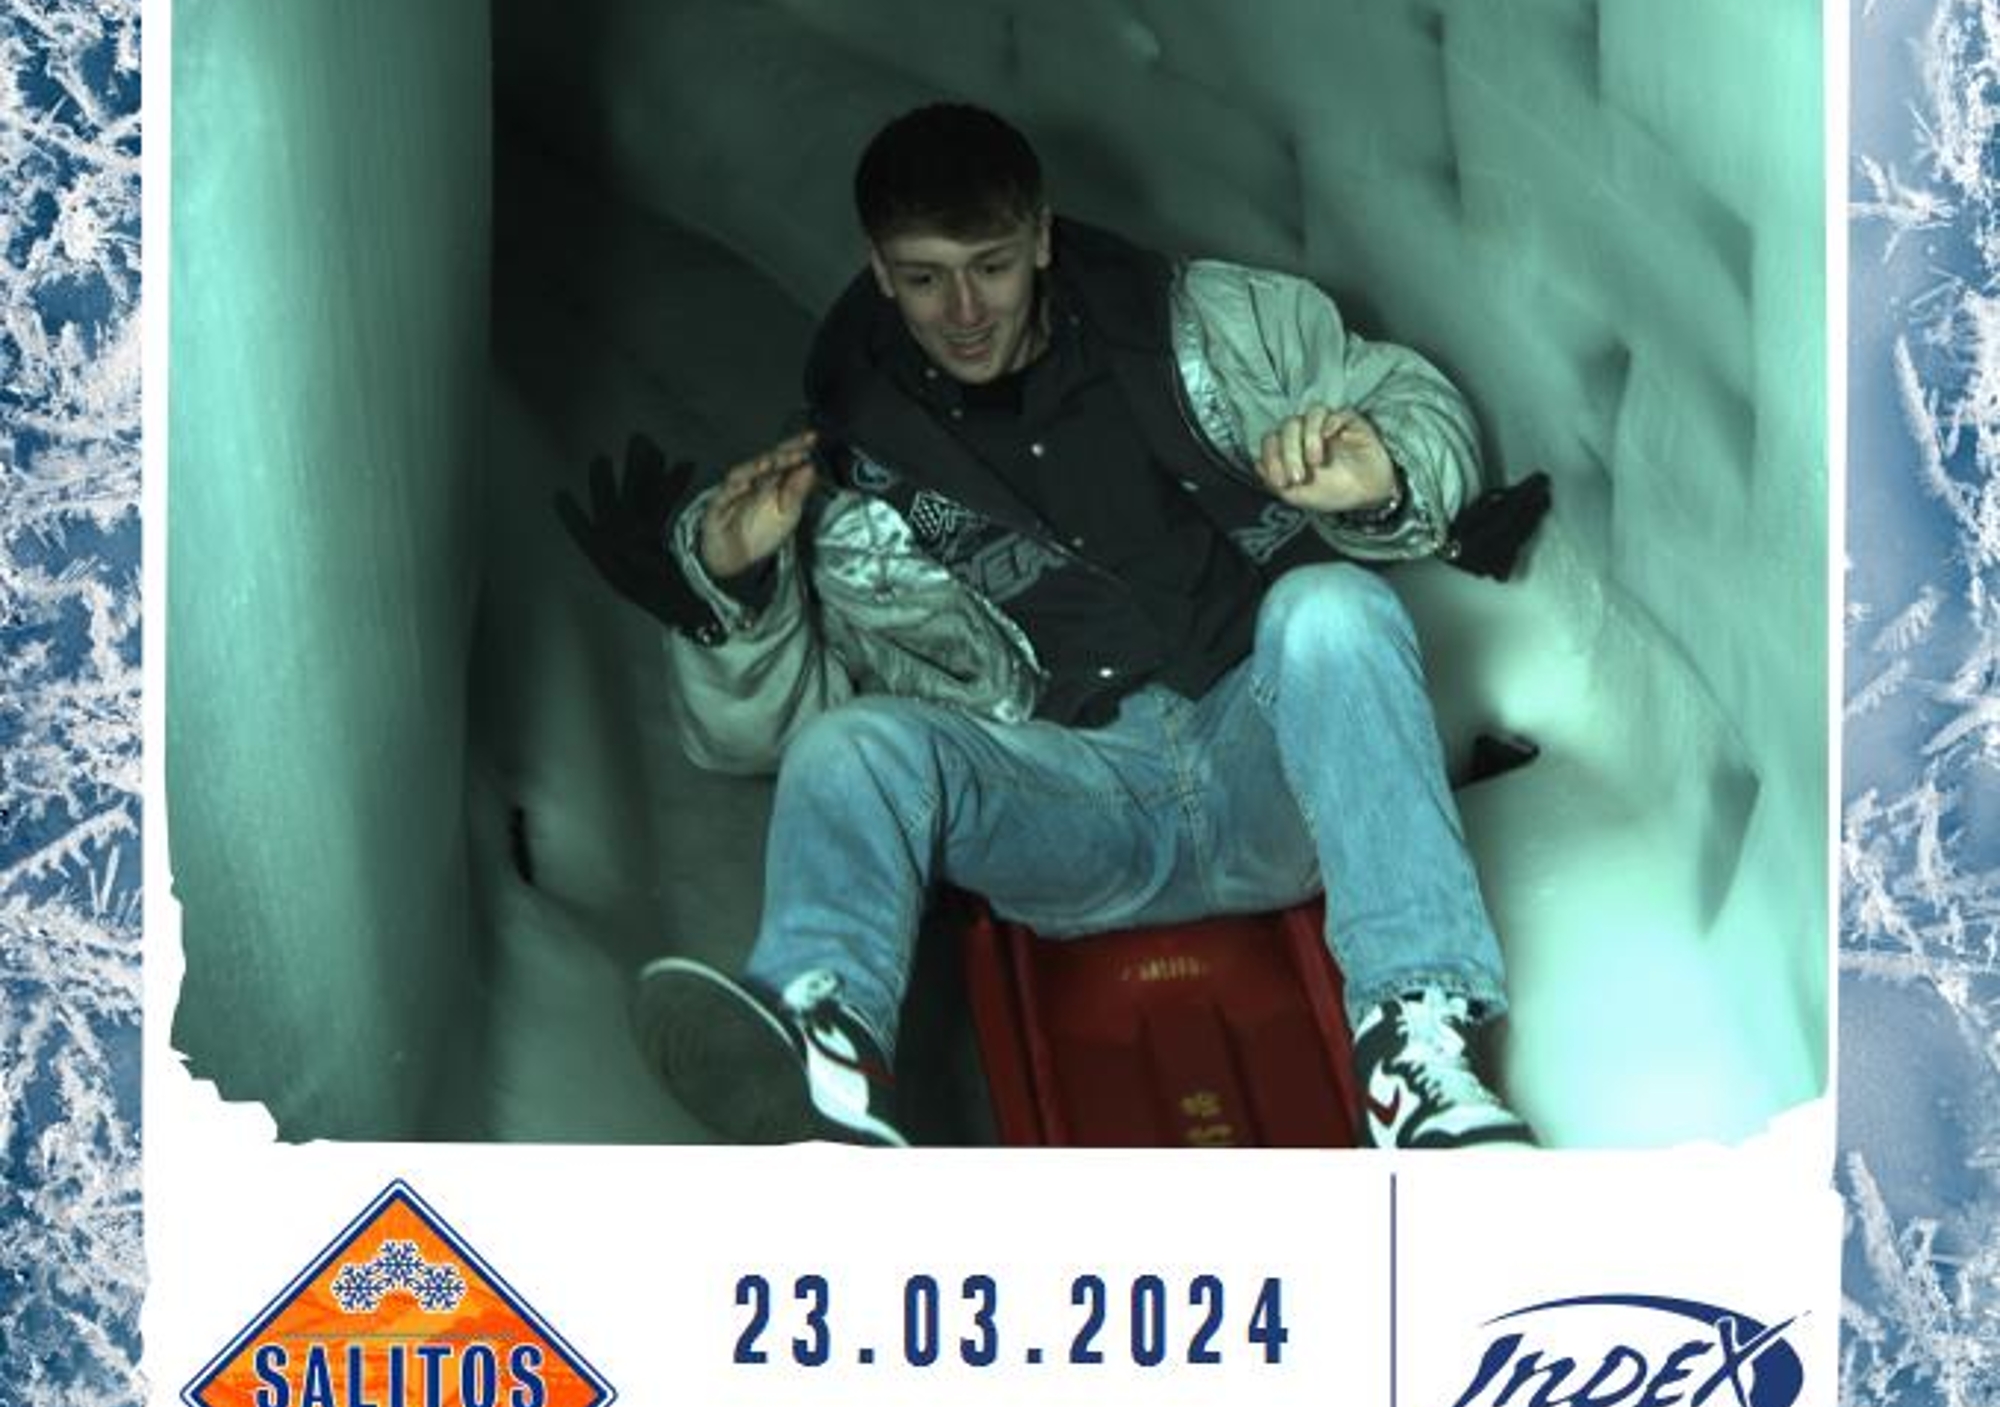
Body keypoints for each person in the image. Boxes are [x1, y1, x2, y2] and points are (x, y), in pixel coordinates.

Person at [560, 104, 1533, 1151]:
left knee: (1333, 609)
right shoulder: (848, 478)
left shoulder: (1211, 327)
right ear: (878, 269)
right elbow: (760, 743)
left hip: (1269, 768)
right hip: (1072, 807)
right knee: (849, 746)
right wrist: (732, 594)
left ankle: (1416, 1055)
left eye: (989, 267)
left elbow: (1411, 400)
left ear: (1040, 237)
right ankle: (826, 1059)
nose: (962, 311)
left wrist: (1385, 472)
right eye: (923, 277)